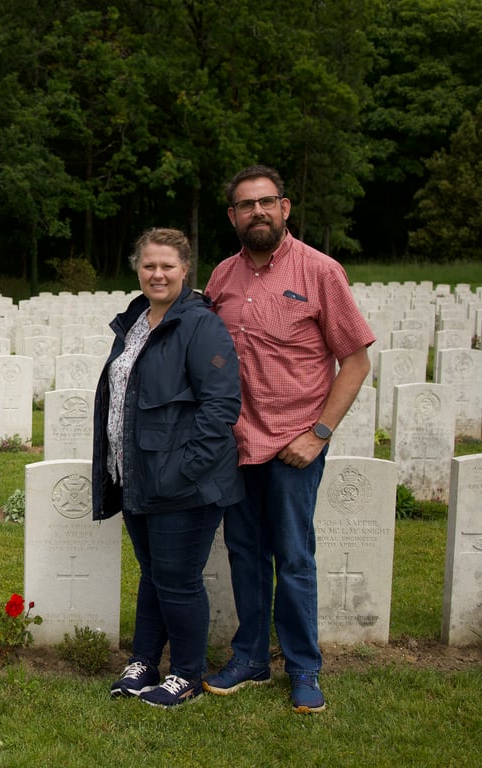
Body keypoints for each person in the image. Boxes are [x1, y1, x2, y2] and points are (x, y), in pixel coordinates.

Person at [202, 165, 375, 713]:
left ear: (285, 208)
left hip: (293, 444)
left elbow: (355, 360)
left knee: (294, 557)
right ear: (232, 216)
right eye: (245, 205)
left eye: (266, 202)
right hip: (236, 444)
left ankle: (303, 666)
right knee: (244, 554)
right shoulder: (221, 278)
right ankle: (250, 658)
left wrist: (319, 433)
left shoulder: (321, 271)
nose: (257, 212)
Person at [93, 228, 245, 708]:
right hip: (137, 474)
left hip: (183, 484)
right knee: (153, 573)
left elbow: (220, 405)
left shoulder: (201, 327)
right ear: (138, 269)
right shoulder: (137, 321)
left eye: (167, 266)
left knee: (178, 579)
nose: (157, 274)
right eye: (148, 266)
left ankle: (186, 673)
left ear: (185, 270)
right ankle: (143, 661)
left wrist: (184, 471)